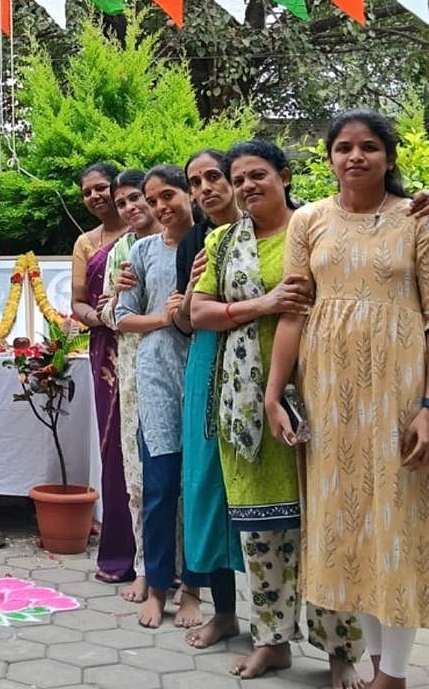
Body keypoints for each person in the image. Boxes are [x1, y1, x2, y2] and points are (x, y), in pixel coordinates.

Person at [267, 112, 429, 689]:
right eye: (343, 147)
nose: (355, 156)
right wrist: (274, 394)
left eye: (369, 147)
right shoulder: (309, 220)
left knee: (395, 527)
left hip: (399, 392)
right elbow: (293, 312)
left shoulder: (418, 220)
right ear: (330, 157)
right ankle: (381, 669)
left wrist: (428, 407)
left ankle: (395, 675)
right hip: (329, 393)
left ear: (389, 157)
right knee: (353, 529)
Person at [193, 139, 362, 687]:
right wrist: (262, 305)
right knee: (263, 535)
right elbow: (199, 312)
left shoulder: (318, 229)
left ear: (285, 176)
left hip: (318, 394)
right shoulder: (222, 241)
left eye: (257, 174)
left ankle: (340, 652)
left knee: (325, 527)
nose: (246, 186)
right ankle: (272, 642)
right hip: (246, 407)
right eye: (238, 178)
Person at [115, 164, 204, 630]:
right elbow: (122, 317)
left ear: (189, 193)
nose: (160, 207)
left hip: (204, 370)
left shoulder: (211, 241)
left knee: (199, 488)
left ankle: (193, 590)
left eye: (167, 195)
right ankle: (156, 587)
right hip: (156, 376)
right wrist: (164, 319)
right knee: (160, 486)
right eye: (152, 201)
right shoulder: (143, 251)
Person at [177, 150, 243, 653]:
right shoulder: (195, 241)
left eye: (214, 177)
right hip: (205, 363)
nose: (205, 189)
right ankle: (225, 613)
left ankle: (285, 626)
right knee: (206, 487)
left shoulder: (279, 227)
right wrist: (187, 296)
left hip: (262, 360)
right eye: (195, 182)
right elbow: (185, 321)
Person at [70, 161, 136, 584]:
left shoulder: (141, 231)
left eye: (101, 188)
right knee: (113, 449)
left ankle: (162, 559)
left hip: (143, 340)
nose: (95, 196)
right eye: (87, 191)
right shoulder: (86, 242)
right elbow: (77, 302)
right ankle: (118, 555)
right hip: (105, 348)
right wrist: (100, 316)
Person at [99, 169, 159, 603]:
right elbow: (107, 314)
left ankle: (182, 574)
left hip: (178, 365)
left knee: (175, 477)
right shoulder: (121, 250)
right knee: (136, 474)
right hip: (134, 371)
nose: (130, 207)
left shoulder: (184, 240)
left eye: (136, 197)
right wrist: (119, 296)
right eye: (121, 203)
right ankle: (143, 568)